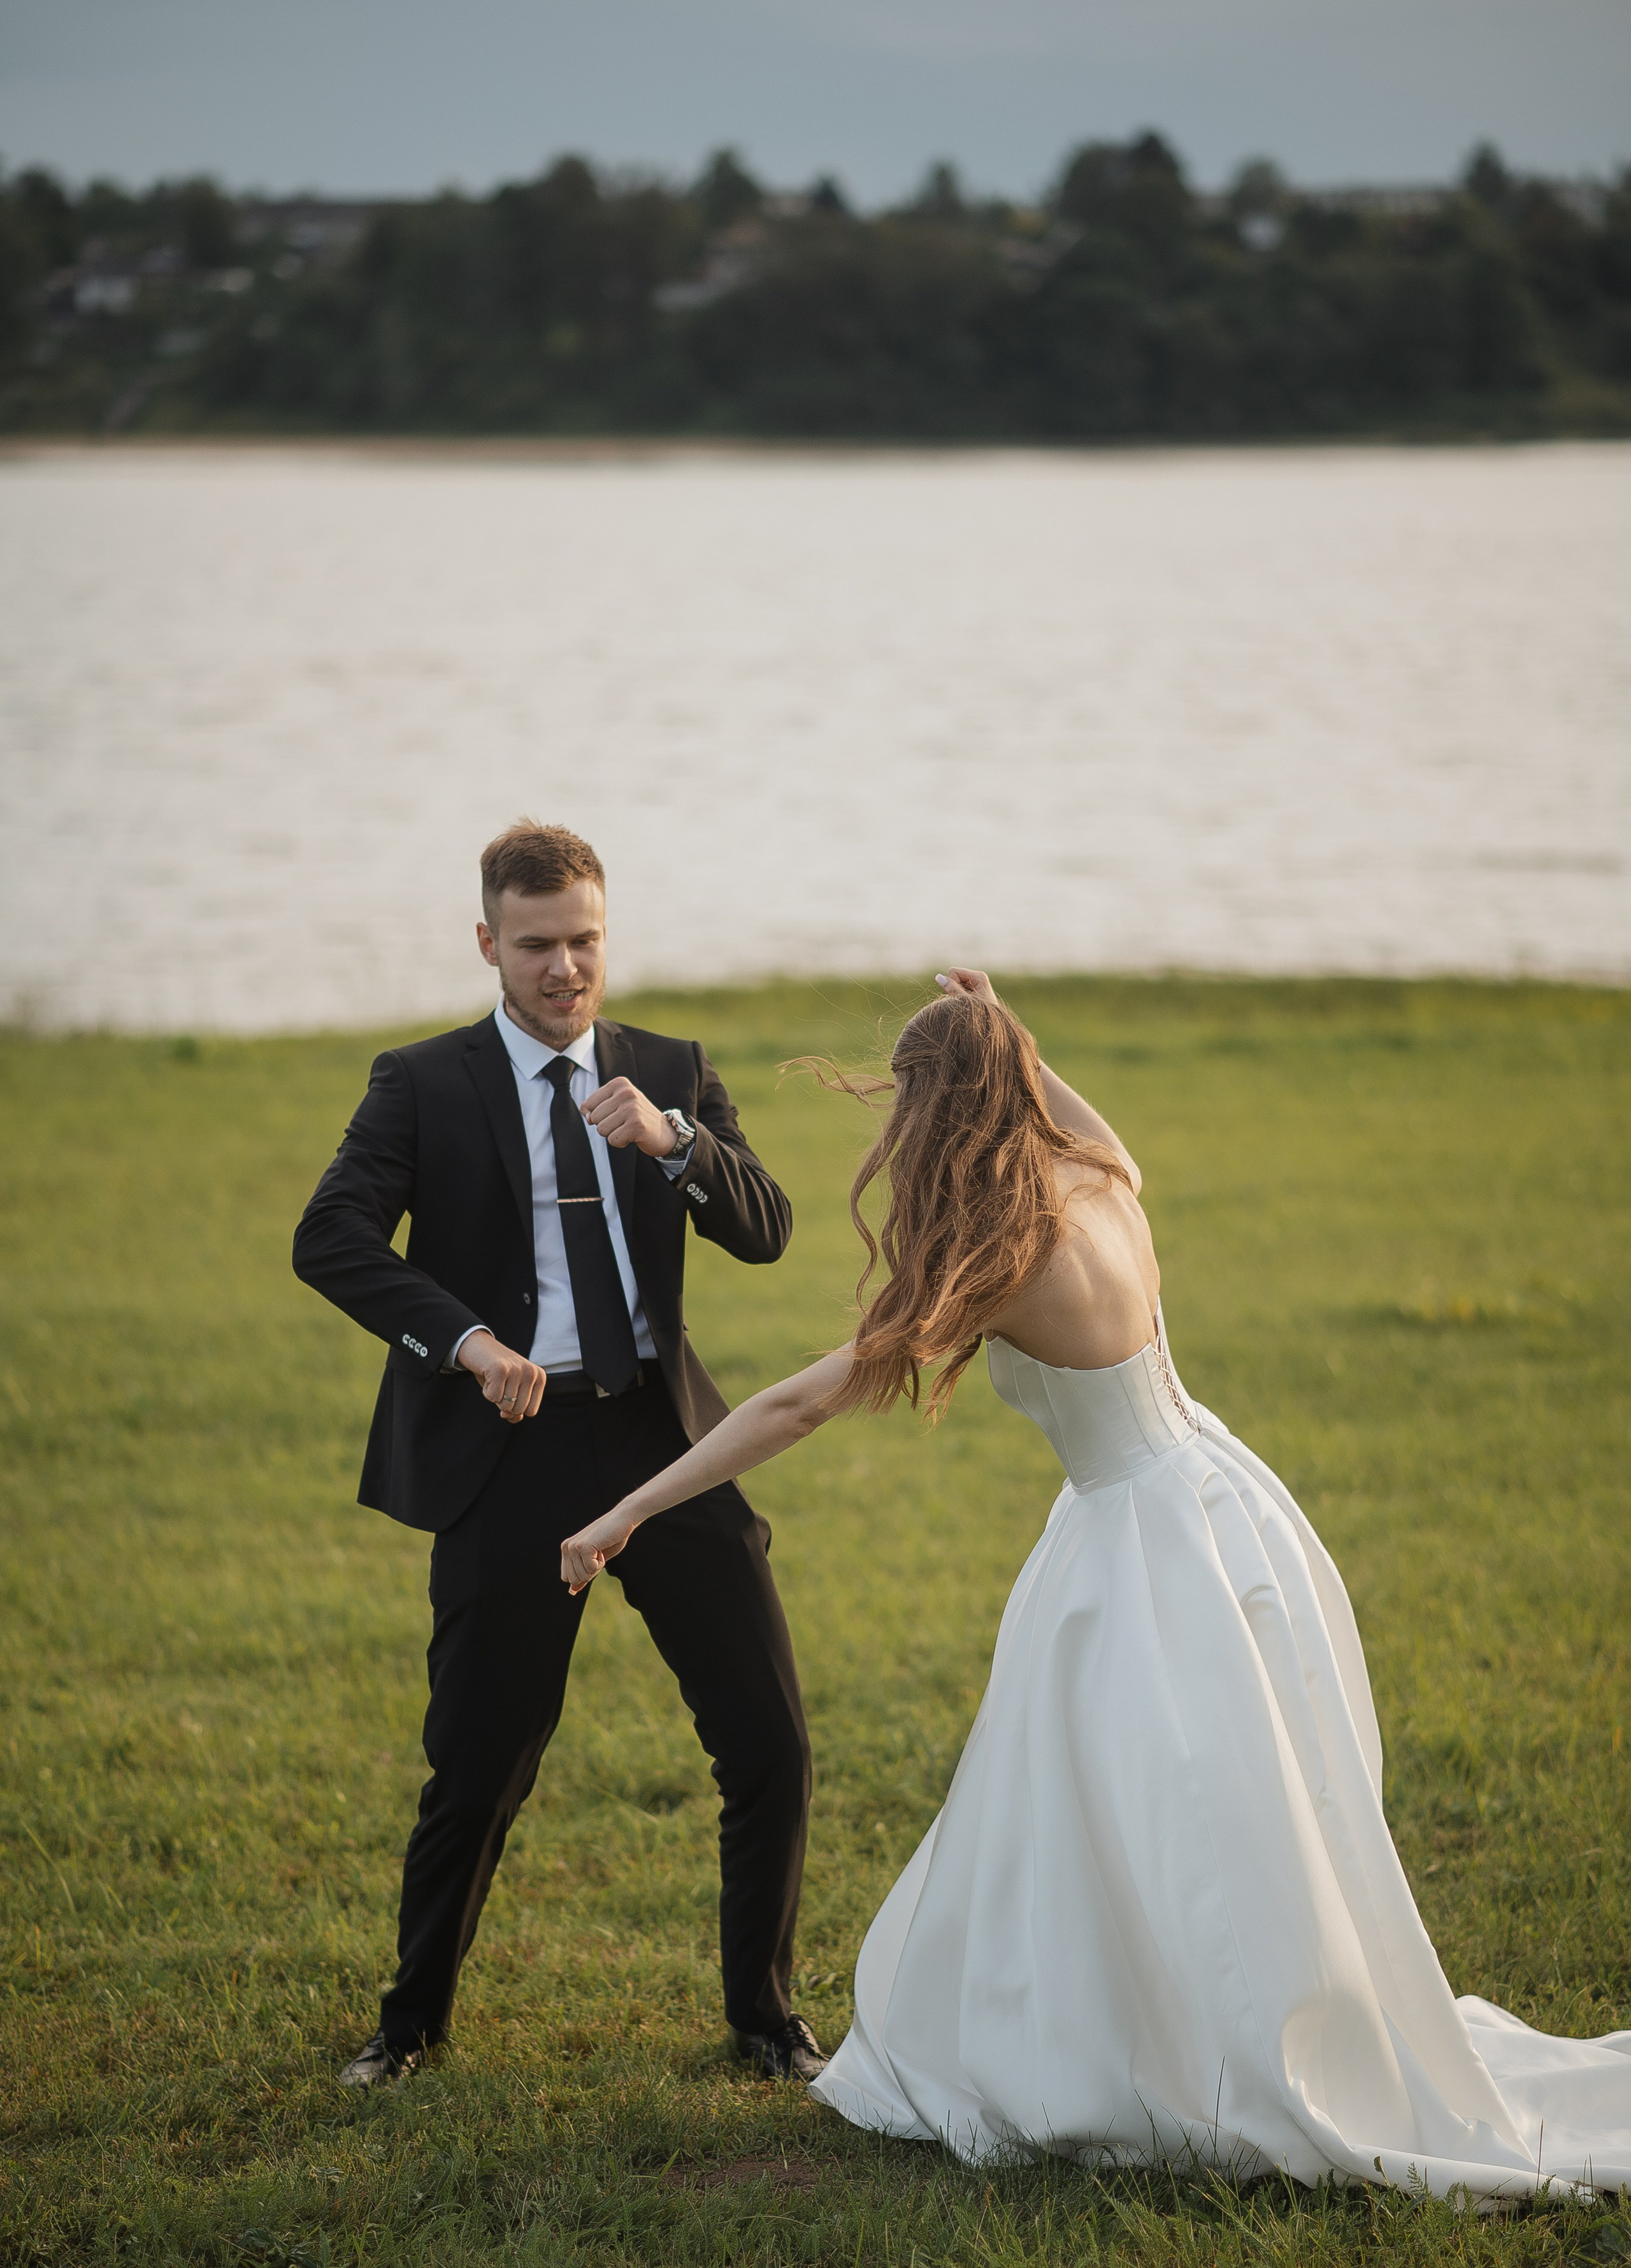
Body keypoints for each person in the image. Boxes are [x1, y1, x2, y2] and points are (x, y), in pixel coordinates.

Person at [561, 969, 1631, 2196]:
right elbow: (1106, 1135)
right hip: (1224, 1501)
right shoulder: (1100, 1185)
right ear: (1020, 1089)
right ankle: (1215, 2017)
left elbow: (804, 1400)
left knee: (1135, 1811)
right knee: (1195, 1807)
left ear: (932, 1113)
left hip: (1137, 1550)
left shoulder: (1000, 1259)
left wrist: (629, 1509)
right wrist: (1015, 1031)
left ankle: (1180, 2050)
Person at [294, 821, 825, 2088]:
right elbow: (334, 1236)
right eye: (535, 945)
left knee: (768, 1743)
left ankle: (764, 2020)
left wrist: (676, 1143)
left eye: (583, 940)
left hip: (660, 1437)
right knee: (482, 1760)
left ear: (605, 932)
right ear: (488, 943)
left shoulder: (667, 1069)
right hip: (511, 1449)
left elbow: (767, 1231)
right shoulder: (421, 1083)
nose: (563, 968)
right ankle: (408, 2027)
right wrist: (466, 1341)